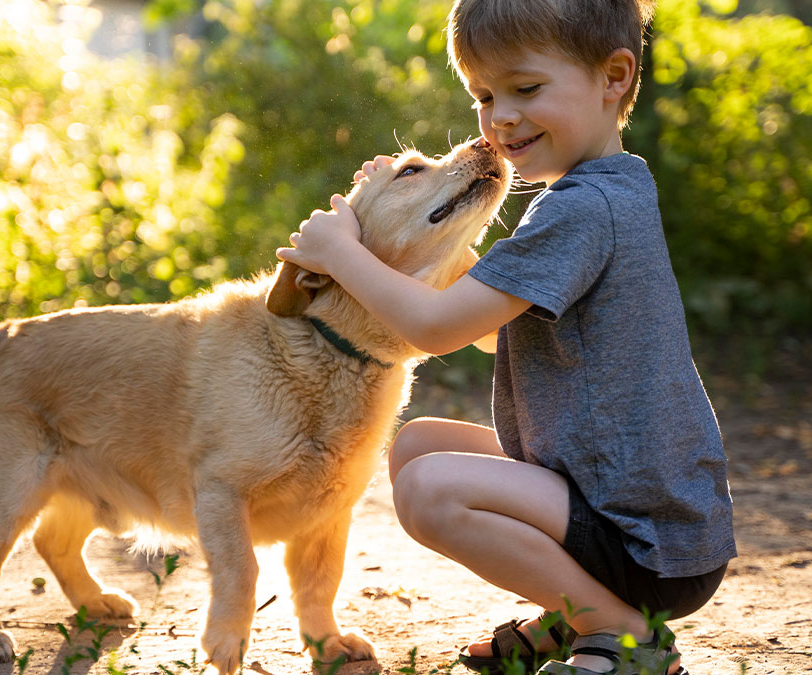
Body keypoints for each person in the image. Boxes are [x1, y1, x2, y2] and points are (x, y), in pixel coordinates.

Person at [276, 0, 735, 673]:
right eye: (485, 95)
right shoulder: (605, 189)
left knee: (430, 489)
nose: (502, 117)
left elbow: (437, 327)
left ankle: (623, 633)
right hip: (640, 508)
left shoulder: (581, 209)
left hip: (645, 540)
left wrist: (341, 253)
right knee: (417, 443)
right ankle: (578, 615)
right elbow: (494, 332)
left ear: (614, 77)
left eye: (526, 89)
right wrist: (400, 213)